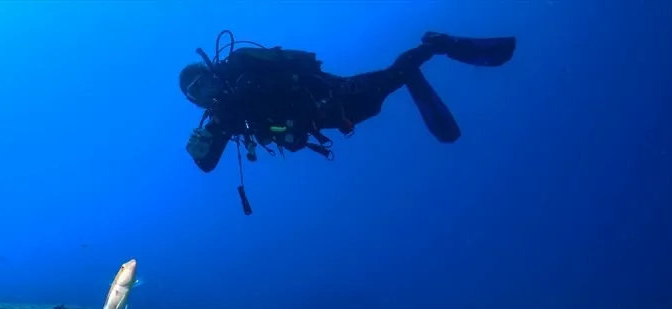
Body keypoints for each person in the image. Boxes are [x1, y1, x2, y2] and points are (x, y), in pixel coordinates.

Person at [179, 31, 517, 213]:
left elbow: (292, 78)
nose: (202, 93)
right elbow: (208, 164)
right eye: (194, 94)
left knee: (389, 80)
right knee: (383, 93)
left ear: (212, 72)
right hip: (329, 121)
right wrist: (198, 153)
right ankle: (414, 69)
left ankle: (436, 45)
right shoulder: (222, 116)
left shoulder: (242, 73)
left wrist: (292, 113)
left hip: (334, 95)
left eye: (201, 82)